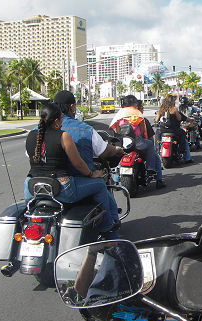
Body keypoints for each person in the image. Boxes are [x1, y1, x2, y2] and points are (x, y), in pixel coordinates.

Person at [24, 103, 120, 239]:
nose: (63, 122)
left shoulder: (31, 136)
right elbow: (78, 163)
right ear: (56, 121)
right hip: (62, 189)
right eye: (61, 119)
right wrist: (92, 174)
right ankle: (107, 228)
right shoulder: (63, 136)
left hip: (32, 188)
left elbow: (31, 156)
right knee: (99, 185)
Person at [53, 90, 124, 237]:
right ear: (72, 107)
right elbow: (103, 151)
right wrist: (116, 150)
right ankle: (112, 239)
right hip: (77, 182)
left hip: (49, 185)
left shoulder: (40, 130)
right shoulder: (84, 129)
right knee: (108, 201)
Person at [109, 95, 165, 189]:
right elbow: (143, 130)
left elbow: (116, 129)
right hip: (137, 142)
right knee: (150, 144)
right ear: (133, 103)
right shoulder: (136, 113)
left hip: (123, 142)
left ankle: (115, 178)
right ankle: (151, 168)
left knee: (120, 154)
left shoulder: (120, 114)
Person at [155, 95, 193, 164]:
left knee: (157, 135)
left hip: (162, 131)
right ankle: (186, 157)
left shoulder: (161, 109)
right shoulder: (174, 109)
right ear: (172, 101)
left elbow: (156, 120)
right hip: (173, 130)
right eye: (174, 101)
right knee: (183, 137)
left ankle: (157, 149)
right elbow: (179, 118)